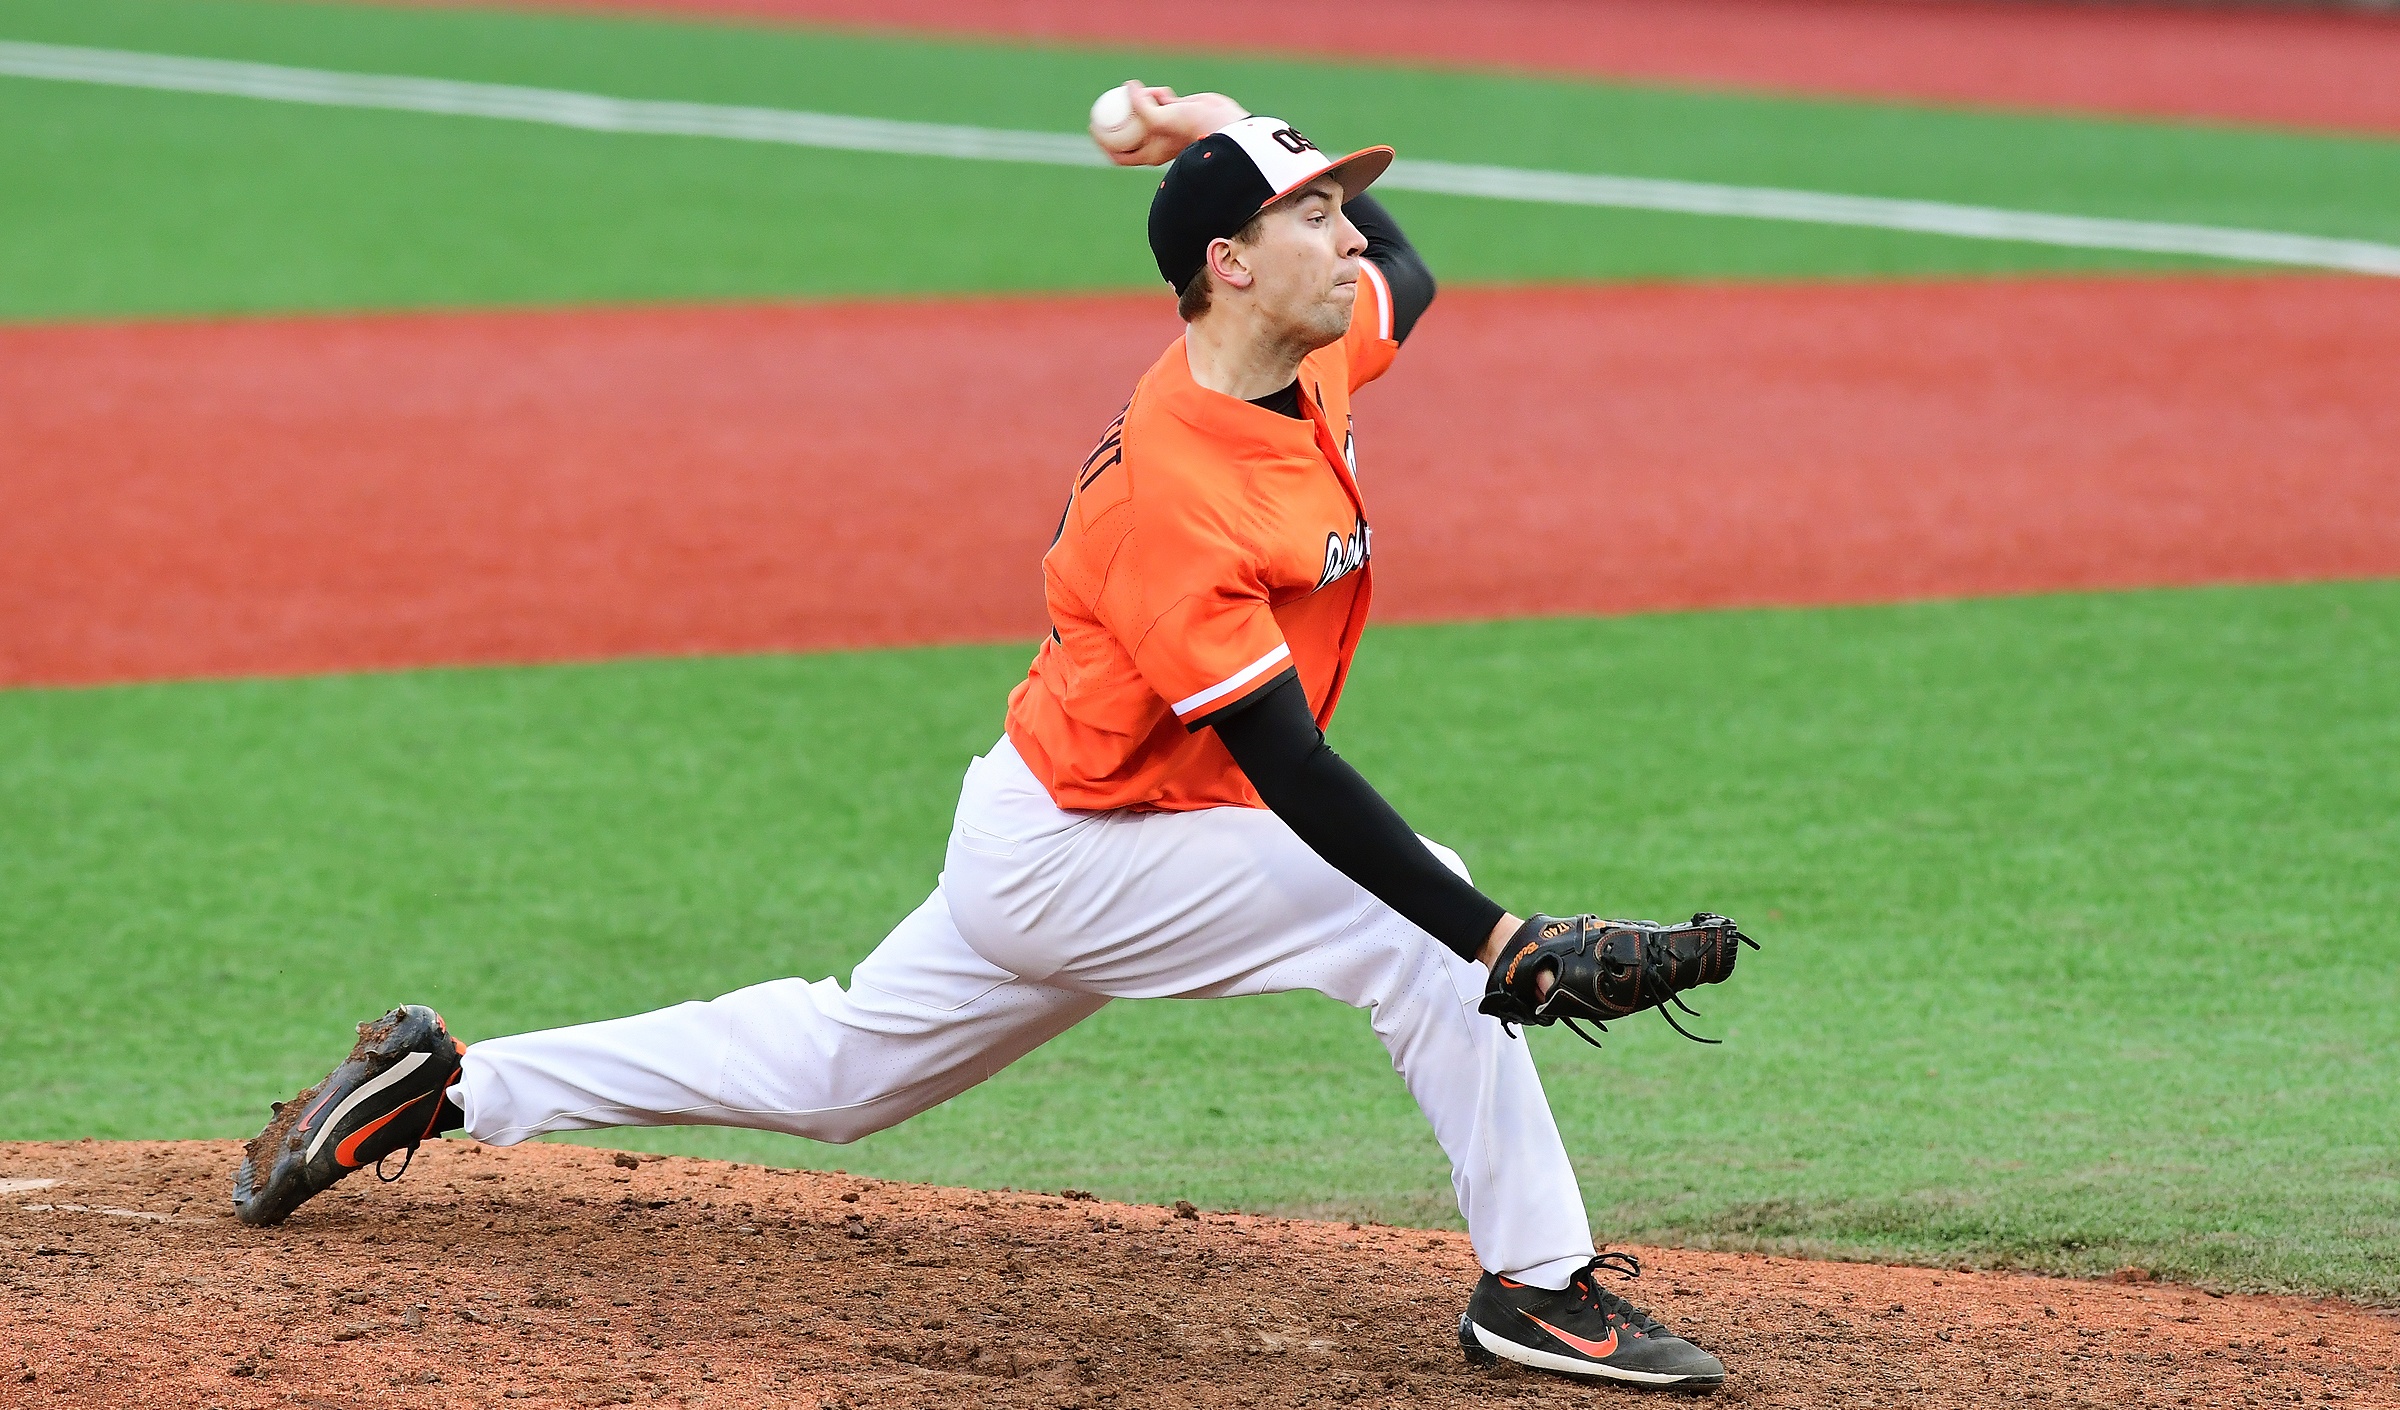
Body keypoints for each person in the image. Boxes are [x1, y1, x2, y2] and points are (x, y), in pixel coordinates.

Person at [233, 86, 1752, 1391]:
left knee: (839, 1072)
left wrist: (1210, 118)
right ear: (1229, 266)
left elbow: (1407, 267)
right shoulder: (1177, 490)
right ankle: (1538, 1288)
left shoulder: (1310, 354)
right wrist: (1496, 939)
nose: (1351, 234)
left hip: (1067, 824)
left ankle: (452, 1082)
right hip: (1081, 851)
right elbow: (1289, 772)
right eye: (1313, 214)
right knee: (1415, 910)